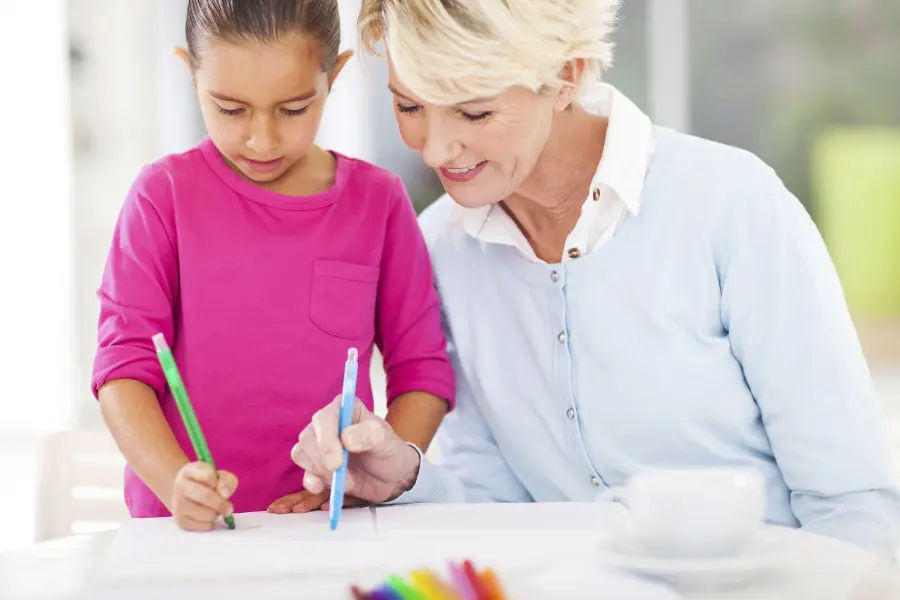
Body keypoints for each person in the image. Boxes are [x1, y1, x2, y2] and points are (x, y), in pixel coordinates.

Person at [290, 0, 900, 559]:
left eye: (475, 110)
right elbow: (499, 505)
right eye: (409, 106)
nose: (435, 148)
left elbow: (854, 507)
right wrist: (401, 474)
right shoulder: (443, 247)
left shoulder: (732, 206)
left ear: (569, 75)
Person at [92, 0, 454, 531]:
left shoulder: (379, 204)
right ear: (191, 73)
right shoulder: (162, 197)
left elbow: (423, 371)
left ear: (335, 75)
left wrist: (370, 476)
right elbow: (122, 372)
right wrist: (174, 481)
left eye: (293, 109)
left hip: (329, 531)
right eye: (231, 109)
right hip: (184, 536)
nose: (261, 140)